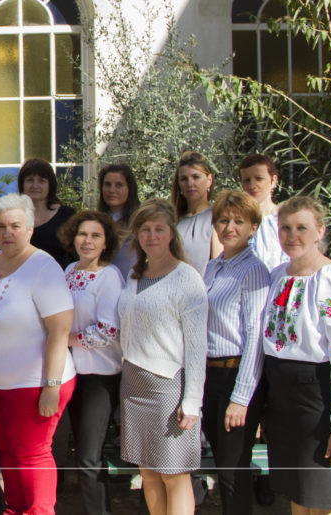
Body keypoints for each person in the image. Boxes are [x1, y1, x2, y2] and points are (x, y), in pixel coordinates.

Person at [0, 193, 76, 515]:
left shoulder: (43, 267)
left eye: (15, 225)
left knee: (32, 454)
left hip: (34, 384)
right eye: (0, 226)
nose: (7, 232)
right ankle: (15, 509)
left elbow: (60, 330)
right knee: (8, 452)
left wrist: (51, 386)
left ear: (30, 228)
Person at [259, 196, 331, 514]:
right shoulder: (278, 275)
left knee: (325, 501)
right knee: (299, 496)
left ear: (320, 231)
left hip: (317, 403)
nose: (292, 236)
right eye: (285, 228)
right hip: (282, 403)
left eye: (302, 228)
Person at [117, 199, 208, 515]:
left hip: (168, 389)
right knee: (148, 473)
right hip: (133, 385)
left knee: (174, 475)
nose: (151, 236)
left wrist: (192, 401)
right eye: (145, 229)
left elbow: (196, 346)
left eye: (159, 229)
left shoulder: (187, 278)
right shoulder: (134, 275)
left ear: (171, 234)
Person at [201, 191, 271, 515]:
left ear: (253, 227)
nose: (230, 227)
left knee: (233, 472)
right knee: (222, 465)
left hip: (236, 376)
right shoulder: (213, 267)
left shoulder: (253, 270)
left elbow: (256, 337)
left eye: (239, 221)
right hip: (210, 376)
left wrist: (241, 398)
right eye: (224, 220)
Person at [57, 210, 125, 515]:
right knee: (65, 452)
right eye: (82, 234)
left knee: (88, 457)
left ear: (106, 242)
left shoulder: (109, 276)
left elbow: (108, 331)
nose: (87, 240)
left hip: (98, 377)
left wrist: (66, 338)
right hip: (68, 373)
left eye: (95, 235)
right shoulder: (69, 270)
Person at [171, 150, 223, 275]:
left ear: (209, 180)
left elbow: (219, 267)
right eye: (184, 179)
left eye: (196, 177)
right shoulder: (173, 221)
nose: (190, 184)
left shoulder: (218, 217)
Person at [18, 157, 75, 268]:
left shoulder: (67, 216)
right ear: (22, 184)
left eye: (41, 181)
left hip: (58, 276)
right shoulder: (13, 216)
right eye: (30, 180)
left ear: (50, 185)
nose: (35, 185)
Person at [238, 153, 288, 271]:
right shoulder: (236, 221)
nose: (252, 185)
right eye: (247, 180)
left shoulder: (285, 219)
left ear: (273, 180)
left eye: (259, 179)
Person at [97, 163, 140, 279]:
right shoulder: (95, 221)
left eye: (119, 185)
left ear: (129, 188)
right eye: (107, 184)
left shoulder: (139, 221)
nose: (112, 190)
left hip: (130, 283)